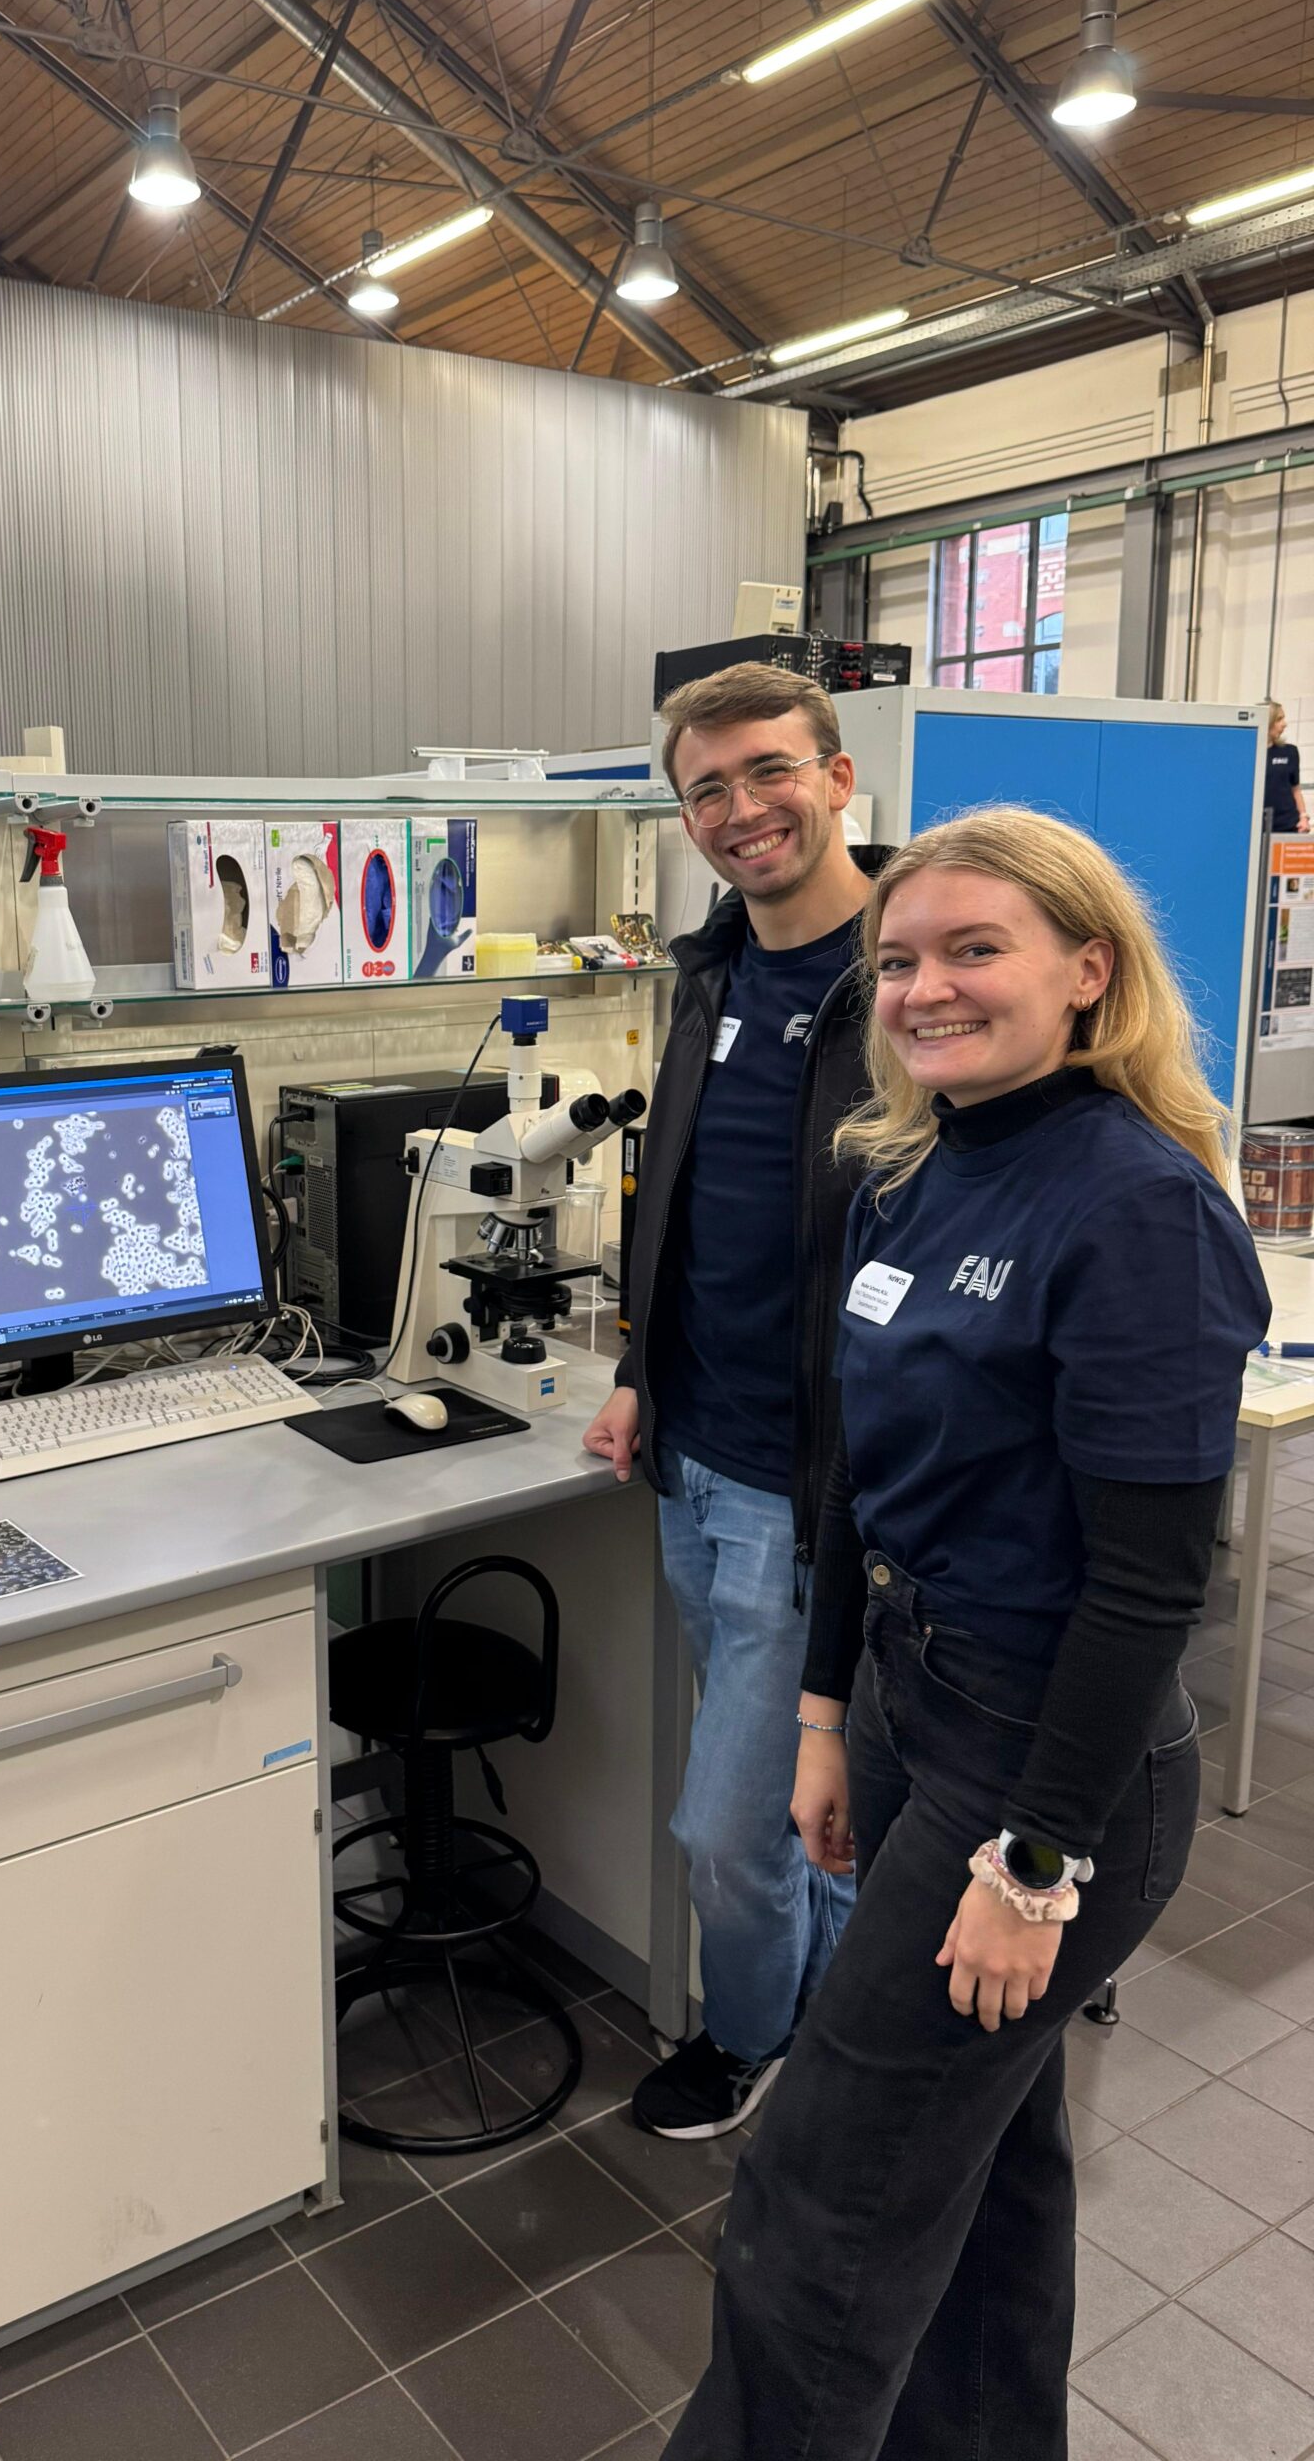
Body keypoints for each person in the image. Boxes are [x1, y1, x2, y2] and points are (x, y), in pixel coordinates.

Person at [666, 807, 1267, 2461]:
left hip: (1046, 1754)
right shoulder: (911, 1168)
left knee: (819, 2205)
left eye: (974, 950)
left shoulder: (1138, 1209)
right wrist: (817, 1717)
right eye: (904, 958)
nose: (925, 987)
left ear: (1089, 970)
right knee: (988, 2172)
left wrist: (1034, 1865)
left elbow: (1152, 1588)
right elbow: (856, 1478)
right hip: (913, 1705)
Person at [582, 663, 885, 2142]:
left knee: (726, 1828)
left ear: (835, 776)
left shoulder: (908, 985)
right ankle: (835, 2021)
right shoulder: (707, 974)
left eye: (769, 771)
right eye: (706, 788)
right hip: (695, 1453)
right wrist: (640, 1371)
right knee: (791, 1801)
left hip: (807, 1483)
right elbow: (681, 1201)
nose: (740, 809)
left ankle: (755, 2036)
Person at [1264, 699, 1308, 837]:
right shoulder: (1249, 753)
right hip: (1258, 826)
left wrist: (1303, 817)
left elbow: (1295, 789)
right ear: (1268, 722)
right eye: (1279, 719)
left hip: (1288, 825)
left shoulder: (1289, 752)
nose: (1285, 724)